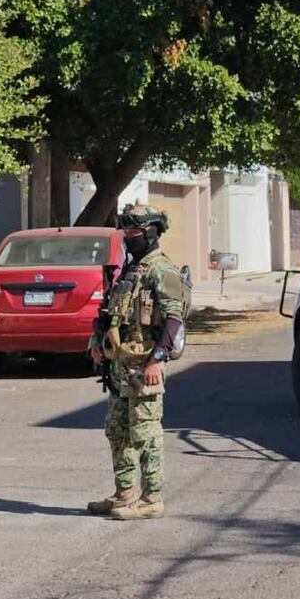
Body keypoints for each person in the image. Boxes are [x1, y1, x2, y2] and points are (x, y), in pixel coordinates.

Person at [88, 203, 187, 520]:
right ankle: (125, 493)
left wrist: (158, 360)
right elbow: (110, 314)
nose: (128, 237)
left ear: (151, 233)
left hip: (145, 367)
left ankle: (151, 498)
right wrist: (97, 343)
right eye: (126, 232)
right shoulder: (130, 269)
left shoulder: (162, 270)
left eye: (134, 232)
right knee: (118, 432)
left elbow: (174, 319)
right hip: (119, 367)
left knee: (146, 433)